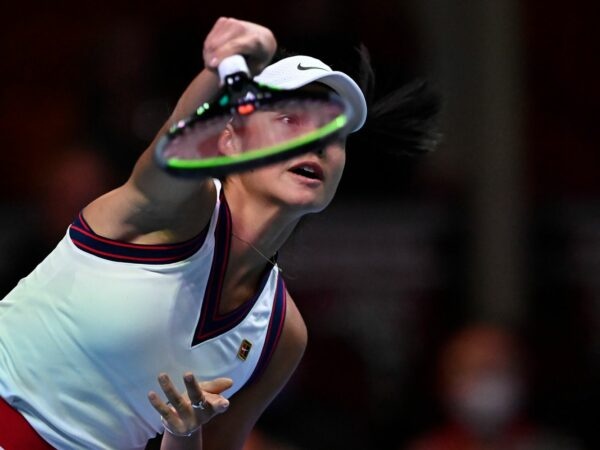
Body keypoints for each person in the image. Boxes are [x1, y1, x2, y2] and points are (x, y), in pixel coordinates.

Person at [0, 17, 440, 450]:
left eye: (334, 132)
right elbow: (172, 152)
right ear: (228, 139)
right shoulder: (180, 208)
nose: (319, 142)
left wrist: (184, 434)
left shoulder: (281, 334)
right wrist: (218, 70)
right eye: (291, 120)